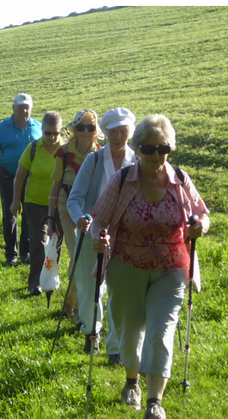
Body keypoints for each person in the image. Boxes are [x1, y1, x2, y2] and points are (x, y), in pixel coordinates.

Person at [90, 114, 209, 419]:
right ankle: (131, 380)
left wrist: (200, 225)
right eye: (150, 149)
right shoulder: (124, 179)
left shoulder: (179, 179)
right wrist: (100, 239)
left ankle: (154, 405)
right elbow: (99, 220)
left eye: (164, 148)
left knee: (160, 332)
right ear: (138, 148)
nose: (157, 156)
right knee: (130, 330)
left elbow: (201, 213)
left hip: (171, 268)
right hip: (127, 266)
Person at [67, 107, 137, 361]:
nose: (118, 136)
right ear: (105, 133)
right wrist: (81, 219)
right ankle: (91, 332)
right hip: (92, 233)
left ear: (130, 132)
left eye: (123, 131)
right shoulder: (93, 161)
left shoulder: (137, 163)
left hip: (125, 237)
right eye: (113, 132)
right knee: (89, 286)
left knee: (120, 289)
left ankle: (116, 348)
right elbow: (74, 200)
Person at [49, 109, 103, 337]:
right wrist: (51, 217)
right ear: (74, 129)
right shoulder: (64, 153)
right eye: (81, 127)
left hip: (90, 212)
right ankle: (81, 313)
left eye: (90, 127)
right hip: (65, 208)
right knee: (78, 255)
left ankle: (69, 305)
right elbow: (55, 186)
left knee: (80, 258)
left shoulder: (101, 154)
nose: (85, 131)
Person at [9, 111, 63, 296]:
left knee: (56, 242)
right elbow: (20, 175)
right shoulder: (33, 148)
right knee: (39, 243)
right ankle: (36, 283)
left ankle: (51, 279)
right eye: (48, 133)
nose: (52, 137)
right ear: (42, 130)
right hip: (35, 202)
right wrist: (16, 200)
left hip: (58, 204)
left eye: (56, 133)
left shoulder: (64, 150)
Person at [0, 93, 43, 266]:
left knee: (28, 213)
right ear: (14, 108)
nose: (24, 111)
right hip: (7, 175)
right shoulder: (3, 127)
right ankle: (11, 252)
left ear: (31, 109)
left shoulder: (38, 127)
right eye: (20, 108)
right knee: (10, 212)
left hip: (31, 177)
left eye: (27, 107)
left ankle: (25, 252)